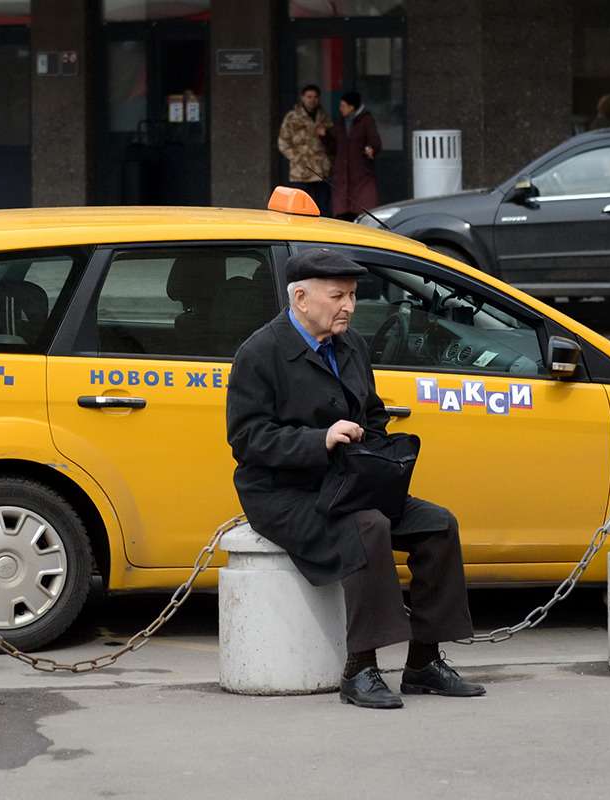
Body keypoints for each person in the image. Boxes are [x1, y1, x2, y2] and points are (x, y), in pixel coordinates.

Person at [226, 248, 485, 710]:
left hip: (350, 482)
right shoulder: (260, 352)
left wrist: (377, 453)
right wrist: (319, 439)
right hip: (284, 493)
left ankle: (424, 664)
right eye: (338, 296)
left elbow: (373, 412)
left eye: (352, 295)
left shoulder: (350, 345)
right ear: (302, 298)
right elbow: (247, 441)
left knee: (438, 525)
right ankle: (360, 669)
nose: (349, 306)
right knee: (369, 527)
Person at [277, 84, 333, 216]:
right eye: (309, 97)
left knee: (323, 208)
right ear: (302, 98)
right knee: (301, 209)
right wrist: (297, 158)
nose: (312, 100)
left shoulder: (324, 117)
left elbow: (333, 142)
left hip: (321, 170)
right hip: (300, 171)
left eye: (315, 97)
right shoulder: (292, 117)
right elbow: (283, 142)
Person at [326, 91, 382, 221]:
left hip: (360, 172)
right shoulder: (340, 123)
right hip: (342, 173)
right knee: (342, 210)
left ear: (352, 107)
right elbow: (333, 145)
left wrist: (371, 149)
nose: (340, 109)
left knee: (363, 208)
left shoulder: (366, 120)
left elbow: (375, 141)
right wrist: (325, 135)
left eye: (343, 106)